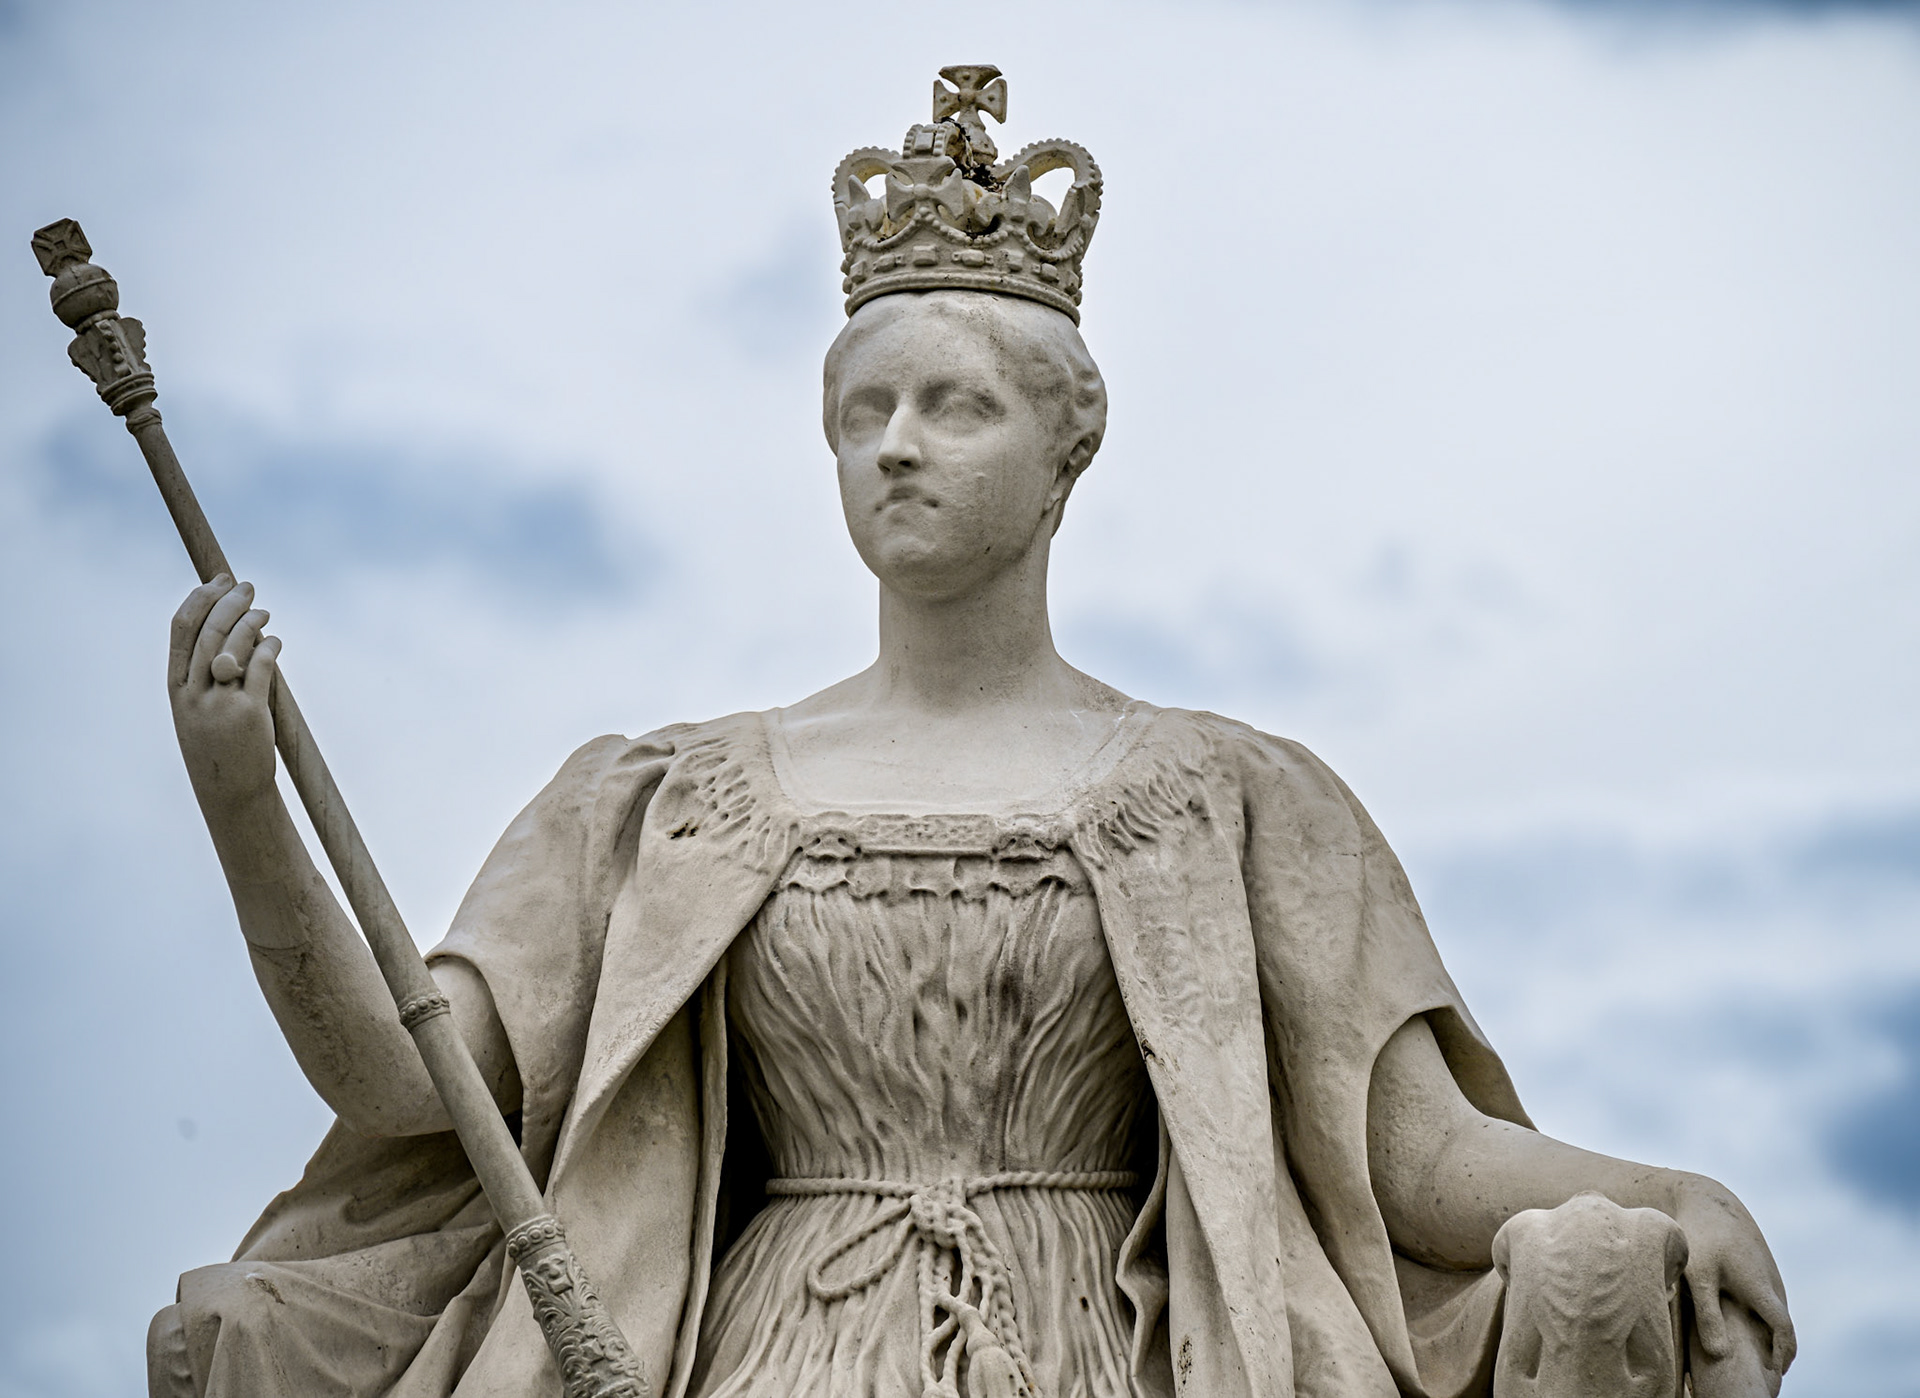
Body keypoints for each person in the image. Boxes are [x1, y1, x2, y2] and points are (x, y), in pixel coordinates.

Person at [147, 70, 1793, 1398]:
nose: (895, 449)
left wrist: (1663, 1194)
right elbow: (408, 1077)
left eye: (952, 407)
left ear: (1066, 451)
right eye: (861, 416)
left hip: (1120, 1352)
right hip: (771, 1355)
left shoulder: (1226, 797)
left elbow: (1413, 1155)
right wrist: (242, 795)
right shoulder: (668, 802)